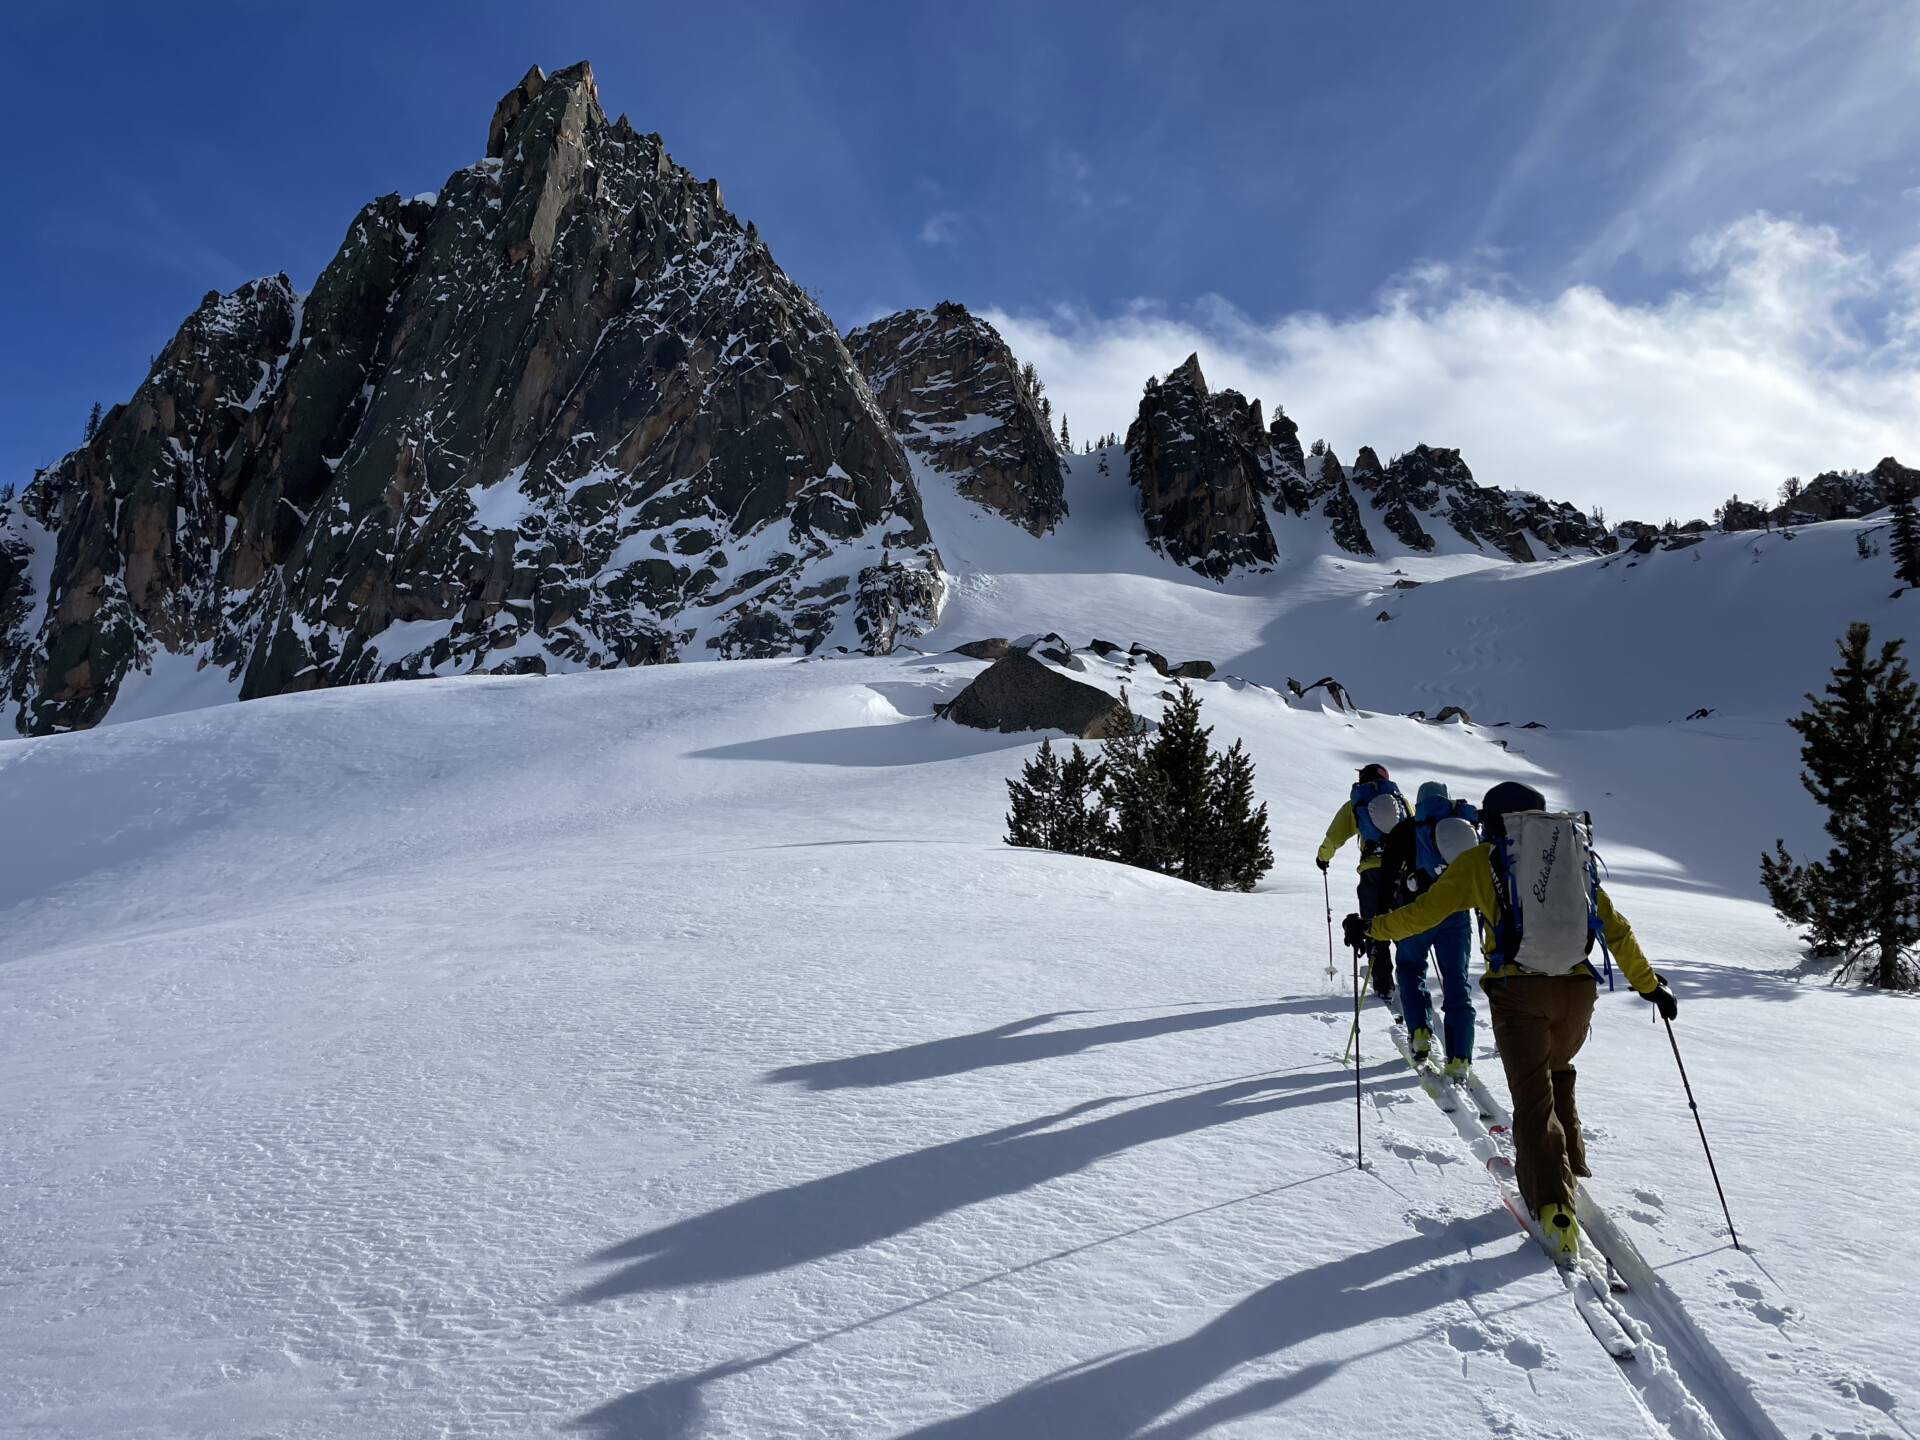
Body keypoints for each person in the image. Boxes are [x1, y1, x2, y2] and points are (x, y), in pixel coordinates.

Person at [1343, 780, 1679, 1263]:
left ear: (1495, 820)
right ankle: (1572, 1163)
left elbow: (1422, 914)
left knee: (1532, 1096)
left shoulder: (1482, 860)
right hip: (1578, 992)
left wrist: (1371, 927)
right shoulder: (1572, 857)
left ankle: (1554, 1210)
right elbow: (1615, 927)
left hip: (1520, 991)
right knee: (1558, 1068)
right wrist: (1648, 985)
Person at [1375, 781, 1479, 1076]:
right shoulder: (1463, 826)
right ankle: (1460, 1058)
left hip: (1417, 913)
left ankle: (1420, 1032)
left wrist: (1380, 917)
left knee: (1409, 968)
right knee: (1457, 981)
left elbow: (1388, 876)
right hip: (1457, 914)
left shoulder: (1406, 829)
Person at [1316, 764, 1409, 1007]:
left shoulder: (1356, 803)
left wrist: (1323, 858)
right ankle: (1411, 980)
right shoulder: (1400, 801)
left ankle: (1383, 985)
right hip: (1402, 871)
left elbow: (1334, 837)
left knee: (1374, 925)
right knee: (1405, 926)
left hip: (1372, 872)